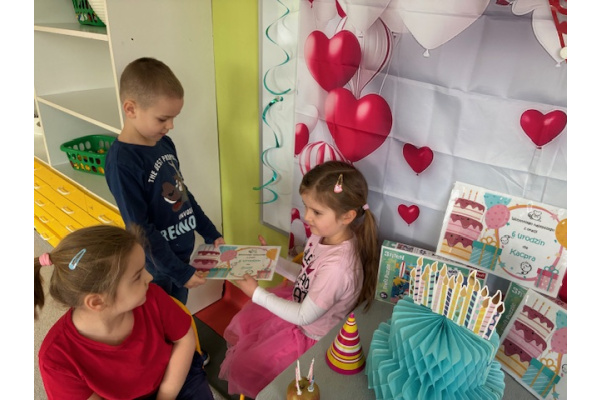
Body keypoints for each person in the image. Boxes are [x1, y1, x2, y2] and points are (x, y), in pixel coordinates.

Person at [218, 160, 380, 398]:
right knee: (249, 351)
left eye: (316, 212)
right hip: (299, 315)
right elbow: (307, 275)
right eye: (305, 207)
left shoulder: (339, 268)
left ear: (347, 216)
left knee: (250, 368)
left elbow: (304, 315)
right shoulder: (323, 235)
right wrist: (273, 261)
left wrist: (256, 294)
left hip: (313, 339)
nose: (306, 217)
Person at [34, 225, 214, 400]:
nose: (150, 277)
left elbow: (184, 338)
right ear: (97, 302)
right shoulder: (56, 359)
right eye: (137, 276)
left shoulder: (151, 296)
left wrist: (165, 396)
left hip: (175, 377)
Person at [105, 57, 225, 307]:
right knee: (160, 318)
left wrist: (210, 232)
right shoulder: (122, 163)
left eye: (174, 118)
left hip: (182, 257)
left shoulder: (164, 144)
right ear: (131, 109)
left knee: (179, 313)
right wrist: (179, 272)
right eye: (163, 119)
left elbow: (183, 194)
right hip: (156, 268)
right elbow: (139, 228)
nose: (170, 126)